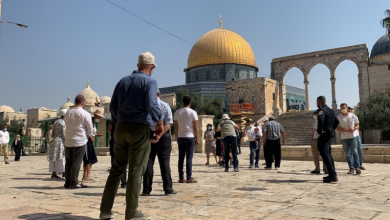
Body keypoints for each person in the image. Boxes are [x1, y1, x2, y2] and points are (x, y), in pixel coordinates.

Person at [100, 51, 163, 220]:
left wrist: (117, 124)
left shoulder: (122, 81)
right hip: (139, 128)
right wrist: (159, 120)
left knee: (116, 169)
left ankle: (105, 211)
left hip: (120, 128)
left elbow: (113, 108)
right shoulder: (150, 82)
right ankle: (131, 213)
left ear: (137, 65)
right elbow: (151, 104)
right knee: (135, 171)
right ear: (152, 67)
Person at [142, 89, 177, 196]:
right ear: (160, 95)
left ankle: (146, 189)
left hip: (148, 135)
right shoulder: (165, 105)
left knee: (148, 162)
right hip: (164, 136)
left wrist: (153, 135)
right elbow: (169, 123)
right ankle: (168, 189)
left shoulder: (145, 106)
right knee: (164, 163)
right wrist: (159, 135)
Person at [64, 94, 94, 189]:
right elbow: (90, 128)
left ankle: (67, 182)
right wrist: (89, 135)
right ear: (82, 102)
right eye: (85, 102)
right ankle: (74, 183)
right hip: (79, 140)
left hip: (68, 140)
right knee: (76, 162)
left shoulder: (68, 112)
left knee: (68, 162)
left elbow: (66, 124)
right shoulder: (85, 114)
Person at [174, 95, 199, 183]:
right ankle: (189, 177)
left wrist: (177, 137)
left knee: (181, 158)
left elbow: (176, 127)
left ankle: (181, 177)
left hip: (181, 136)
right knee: (189, 157)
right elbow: (195, 127)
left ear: (182, 102)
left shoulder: (177, 112)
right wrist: (197, 138)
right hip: (190, 136)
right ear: (190, 102)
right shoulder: (193, 112)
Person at [316, 96, 339, 183]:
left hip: (324, 135)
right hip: (329, 134)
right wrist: (332, 129)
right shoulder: (330, 110)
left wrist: (320, 132)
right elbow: (337, 122)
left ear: (319, 102)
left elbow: (321, 120)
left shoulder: (322, 111)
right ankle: (332, 173)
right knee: (328, 154)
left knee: (325, 154)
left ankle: (332, 174)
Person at [337, 103, 361, 175]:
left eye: (344, 108)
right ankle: (351, 168)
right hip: (344, 138)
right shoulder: (338, 117)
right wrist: (346, 130)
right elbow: (338, 128)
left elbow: (357, 125)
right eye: (341, 108)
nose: (343, 109)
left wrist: (354, 128)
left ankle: (357, 167)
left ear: (347, 108)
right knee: (347, 154)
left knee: (355, 152)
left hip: (352, 137)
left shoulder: (353, 116)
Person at [82, 108, 104, 183]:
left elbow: (91, 131)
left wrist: (96, 134)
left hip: (90, 140)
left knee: (90, 158)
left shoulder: (93, 122)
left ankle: (86, 175)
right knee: (88, 158)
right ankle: (87, 176)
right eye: (100, 117)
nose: (100, 118)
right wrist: (91, 137)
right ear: (97, 115)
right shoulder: (90, 121)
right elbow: (85, 131)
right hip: (87, 141)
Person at [48, 109, 67, 179]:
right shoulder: (63, 123)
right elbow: (64, 133)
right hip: (60, 141)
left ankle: (54, 173)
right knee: (62, 157)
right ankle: (64, 173)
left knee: (54, 158)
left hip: (54, 141)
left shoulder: (55, 122)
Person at [107, 122, 127, 188]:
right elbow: (108, 130)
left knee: (119, 162)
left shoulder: (118, 120)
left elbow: (108, 130)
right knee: (117, 162)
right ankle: (120, 182)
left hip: (119, 141)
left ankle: (121, 182)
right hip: (117, 141)